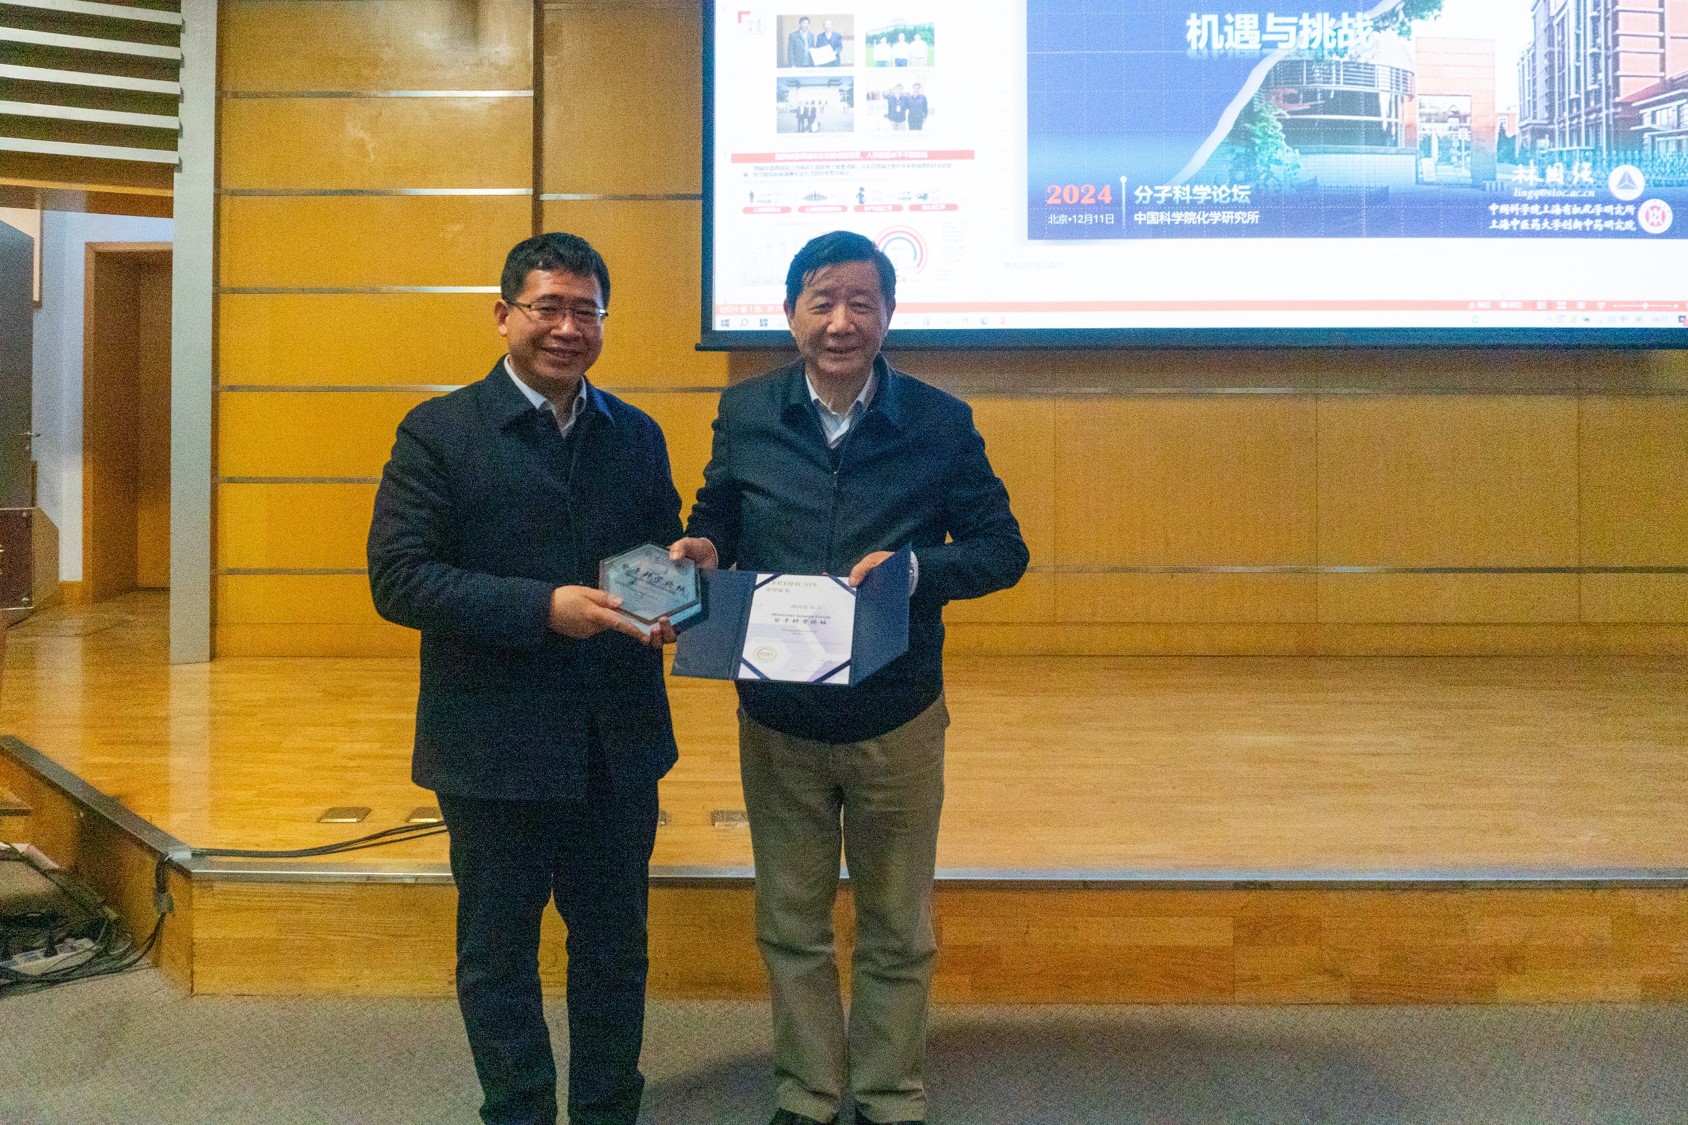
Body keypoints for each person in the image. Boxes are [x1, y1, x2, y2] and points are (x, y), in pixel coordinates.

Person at [671, 231, 1028, 1125]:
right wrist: (705, 544)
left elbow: (1002, 550)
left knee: (897, 926)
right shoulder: (746, 412)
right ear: (789, 313)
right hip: (778, 716)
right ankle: (808, 1091)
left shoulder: (940, 422)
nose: (841, 321)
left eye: (861, 302)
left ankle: (888, 1092)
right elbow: (719, 513)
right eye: (822, 301)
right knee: (790, 922)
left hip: (895, 714)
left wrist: (917, 570)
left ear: (889, 315)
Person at [368, 232, 684, 1125]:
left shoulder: (636, 433)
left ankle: (607, 1109)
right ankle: (517, 1111)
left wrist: (680, 580)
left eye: (587, 310)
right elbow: (399, 579)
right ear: (504, 314)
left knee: (615, 951)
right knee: (498, 958)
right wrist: (543, 607)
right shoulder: (439, 432)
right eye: (549, 307)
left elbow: (649, 559)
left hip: (616, 745)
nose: (568, 327)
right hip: (492, 749)